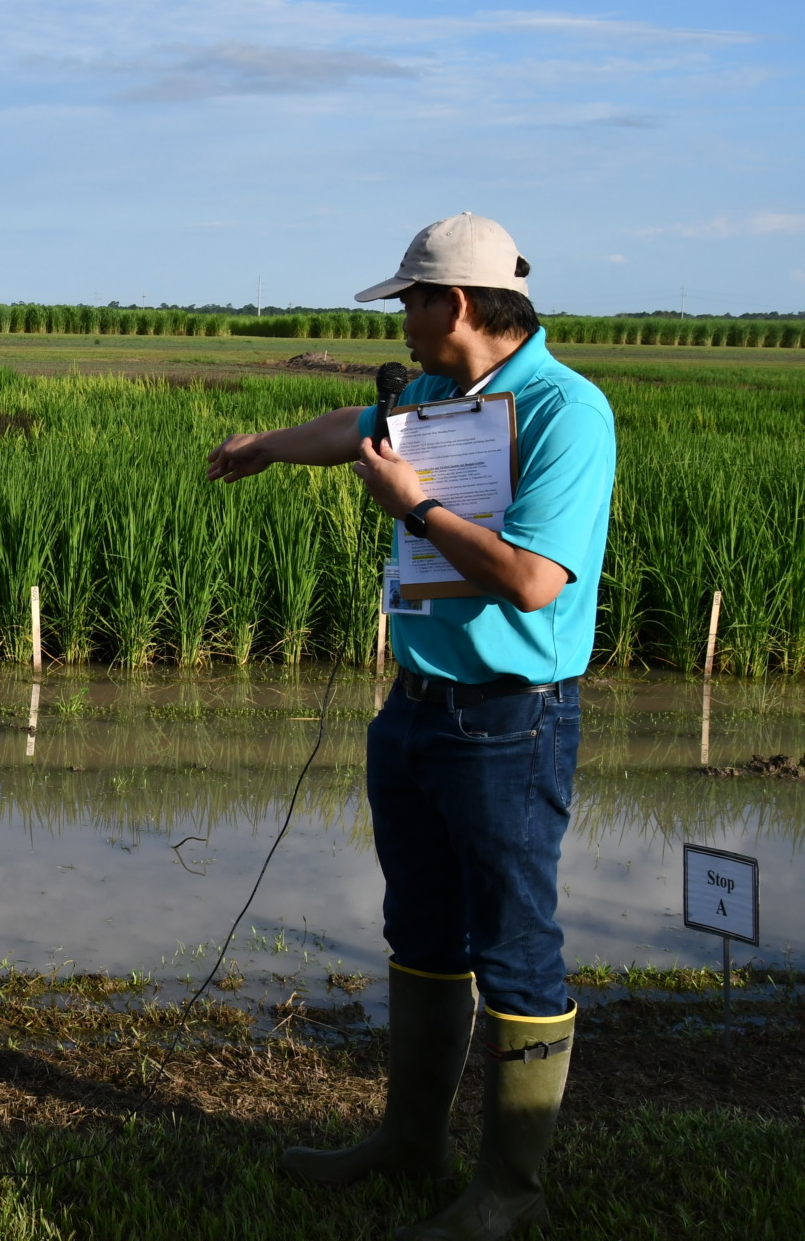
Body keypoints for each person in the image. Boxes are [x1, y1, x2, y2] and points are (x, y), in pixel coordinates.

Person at [204, 213, 616, 1241]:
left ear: (458, 305)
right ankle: (408, 1140)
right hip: (416, 711)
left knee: (516, 949)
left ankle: (510, 1189)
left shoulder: (569, 412)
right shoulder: (432, 395)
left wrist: (414, 507)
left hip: (512, 723)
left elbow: (530, 579)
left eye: (410, 301)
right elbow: (352, 425)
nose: (404, 318)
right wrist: (259, 447)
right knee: (421, 933)